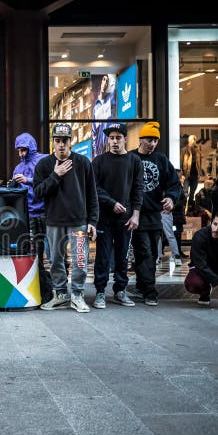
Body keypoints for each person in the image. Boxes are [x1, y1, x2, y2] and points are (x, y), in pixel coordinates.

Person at [34, 123, 99, 313]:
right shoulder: (44, 165)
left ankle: (77, 295)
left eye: (65, 140)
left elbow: (92, 195)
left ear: (71, 141)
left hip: (78, 221)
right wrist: (56, 175)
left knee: (80, 260)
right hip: (54, 221)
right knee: (55, 260)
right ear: (53, 142)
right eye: (57, 140)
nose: (61, 145)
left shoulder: (83, 163)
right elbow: (38, 192)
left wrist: (92, 221)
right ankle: (61, 294)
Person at [128, 121, 182, 306]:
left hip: (155, 215)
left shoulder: (161, 160)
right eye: (149, 139)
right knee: (144, 252)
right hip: (136, 215)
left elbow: (175, 184)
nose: (152, 143)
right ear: (141, 139)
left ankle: (142, 287)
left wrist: (171, 199)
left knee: (151, 253)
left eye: (155, 140)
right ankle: (150, 291)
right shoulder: (130, 158)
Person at [90, 123, 143, 309]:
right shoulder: (99, 161)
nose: (114, 141)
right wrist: (111, 202)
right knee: (102, 256)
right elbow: (93, 188)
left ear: (125, 139)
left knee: (122, 256)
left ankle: (120, 290)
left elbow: (138, 189)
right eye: (111, 138)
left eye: (118, 138)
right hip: (104, 217)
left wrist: (136, 215)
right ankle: (100, 292)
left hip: (126, 219)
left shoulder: (134, 161)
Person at [11, 132, 52, 303]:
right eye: (19, 150)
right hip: (30, 215)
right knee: (35, 254)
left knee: (54, 253)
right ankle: (42, 289)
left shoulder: (45, 160)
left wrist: (28, 180)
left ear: (31, 147)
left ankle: (60, 288)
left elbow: (52, 181)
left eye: (24, 150)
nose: (21, 154)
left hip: (48, 214)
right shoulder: (18, 168)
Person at [91, 73, 116, 157]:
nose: (105, 83)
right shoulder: (96, 107)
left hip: (109, 147)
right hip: (99, 152)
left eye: (107, 81)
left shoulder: (110, 100)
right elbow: (94, 132)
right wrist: (95, 154)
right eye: (104, 80)